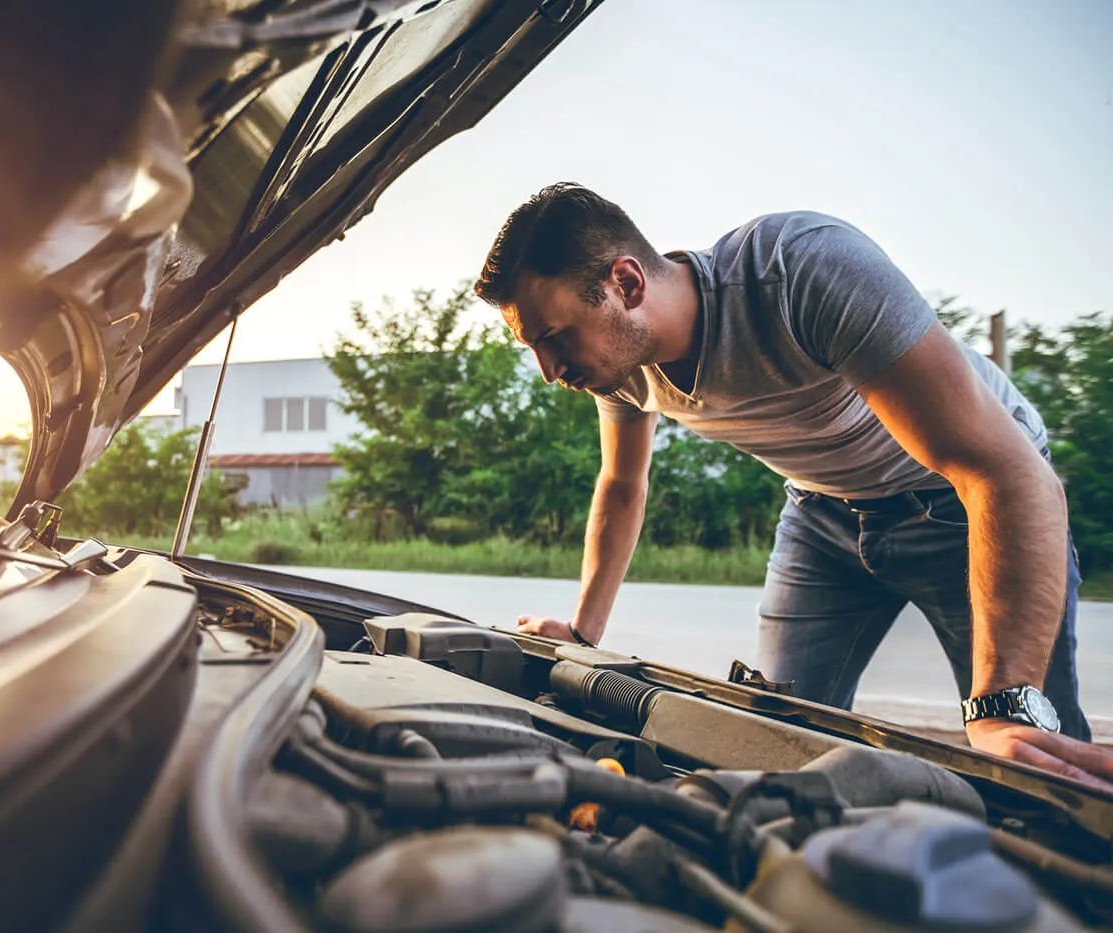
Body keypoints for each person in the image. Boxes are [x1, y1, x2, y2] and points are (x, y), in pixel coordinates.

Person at [474, 182, 1112, 790]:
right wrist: (584, 637)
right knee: (777, 746)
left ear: (626, 283)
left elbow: (1006, 472)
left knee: (1034, 760)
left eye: (554, 339)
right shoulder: (617, 365)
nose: (550, 371)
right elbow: (621, 483)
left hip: (961, 502)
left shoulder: (800, 271)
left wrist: (1003, 704)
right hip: (820, 515)